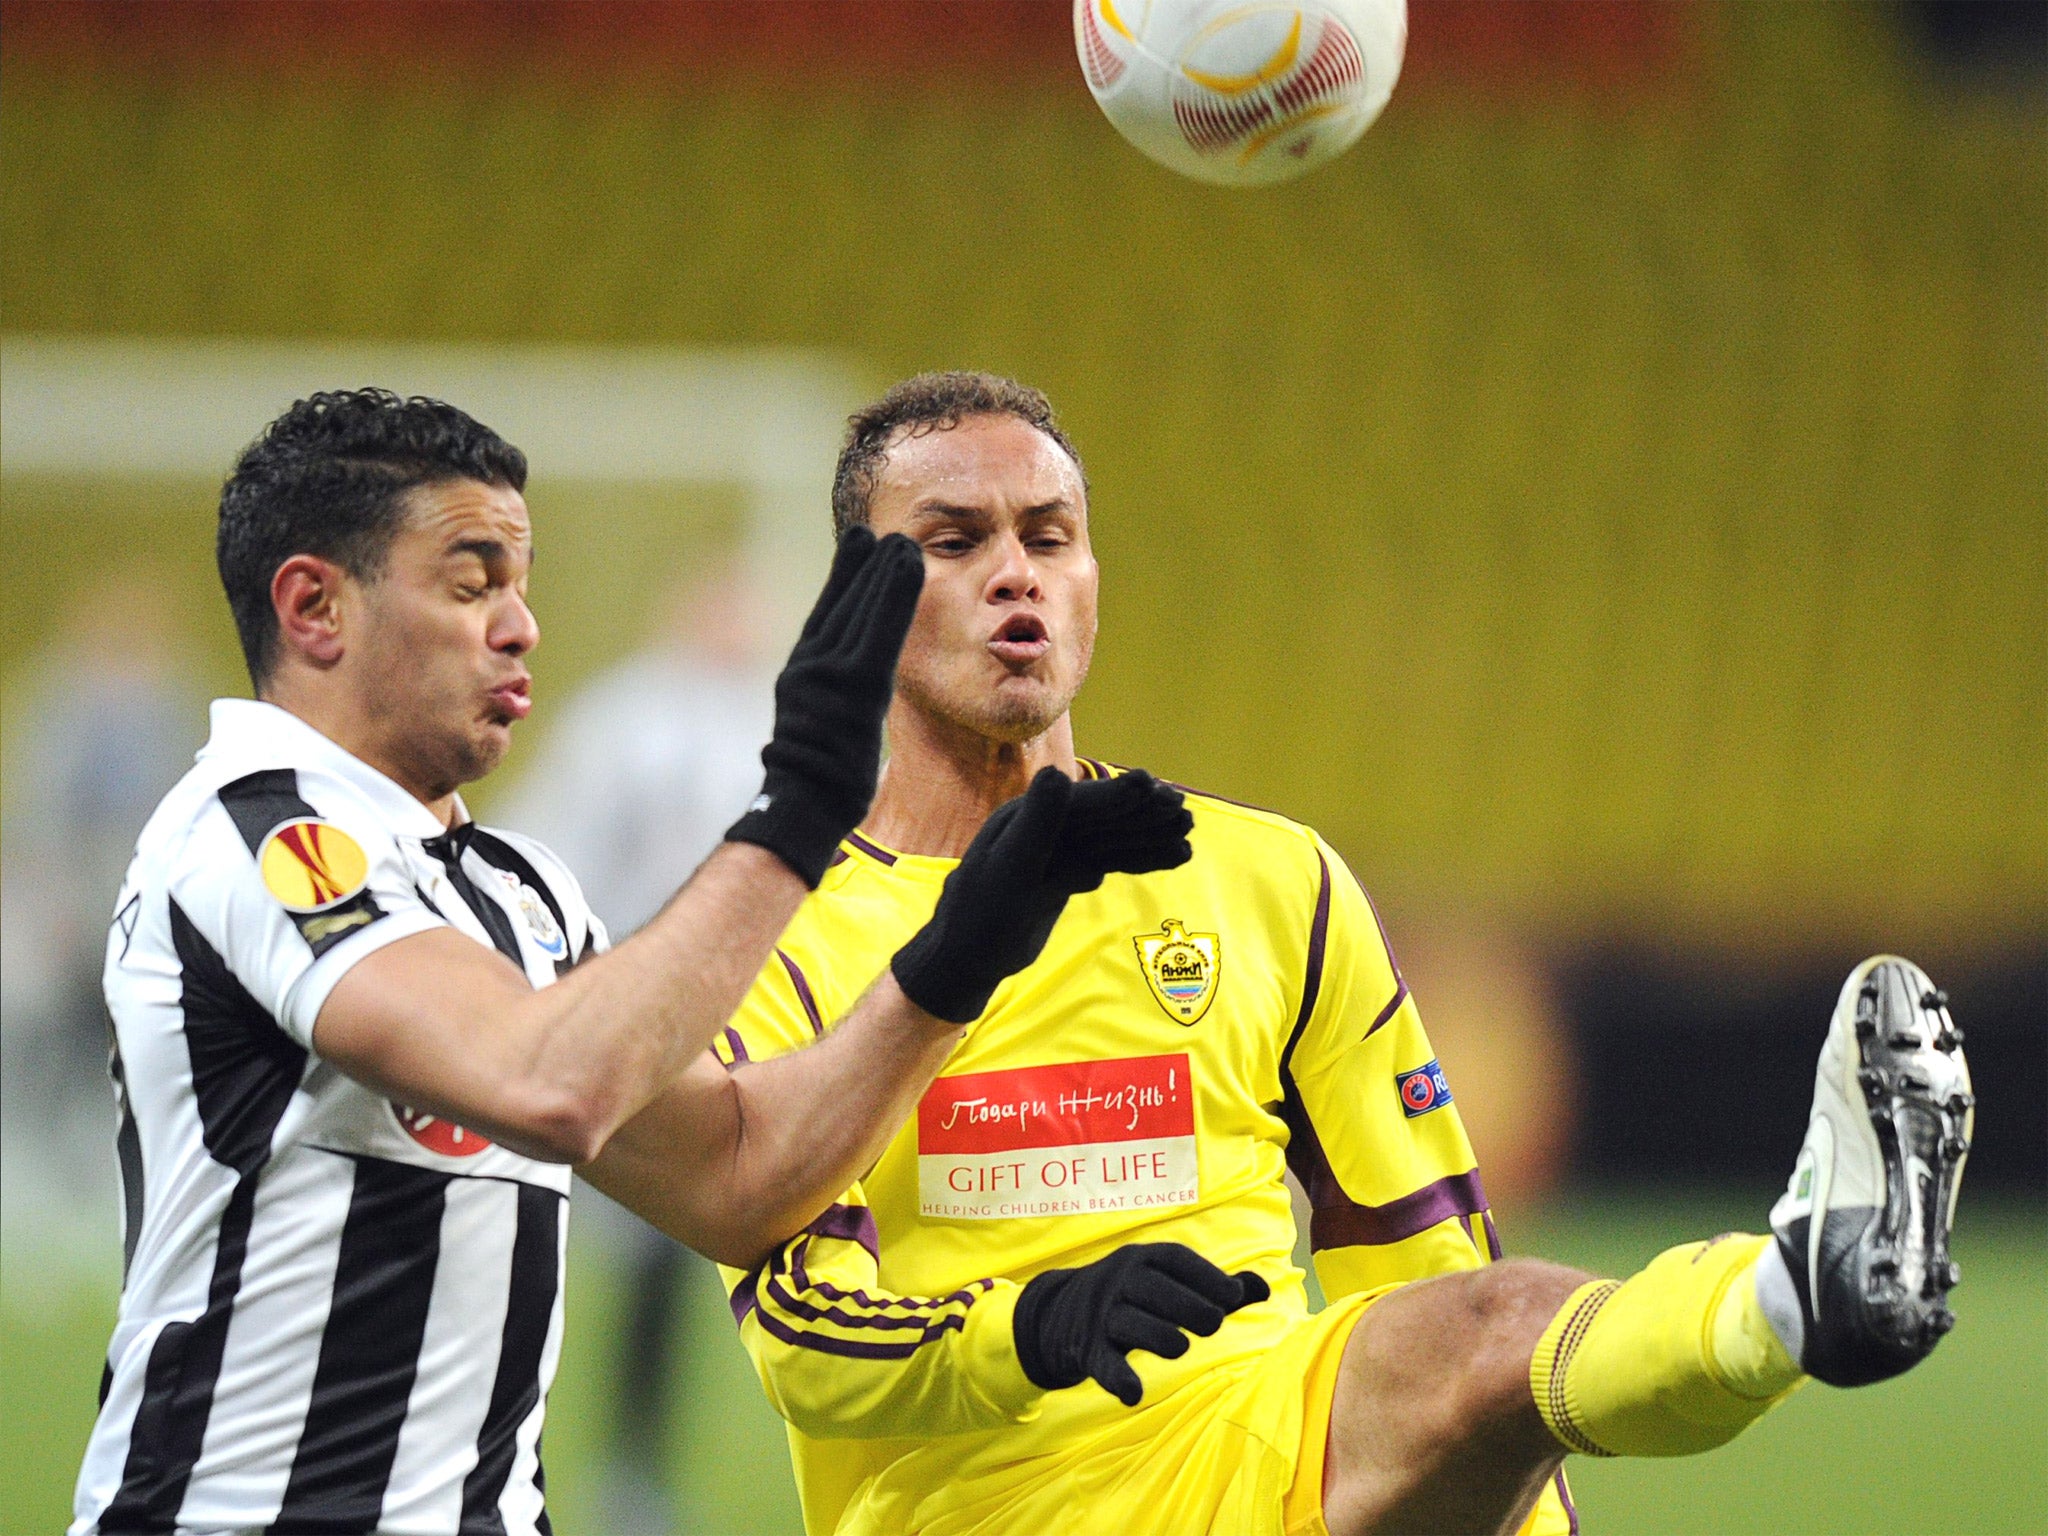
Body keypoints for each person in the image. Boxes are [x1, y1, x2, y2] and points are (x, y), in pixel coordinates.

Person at [708, 371, 1977, 1536]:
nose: (1015, 572)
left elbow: (1432, 1277)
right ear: (857, 603)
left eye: (1049, 537)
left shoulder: (1268, 877)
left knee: (1496, 1322)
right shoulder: (777, 938)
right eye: (954, 541)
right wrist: (1030, 1329)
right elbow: (800, 1341)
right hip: (986, 1504)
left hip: (1266, 1458)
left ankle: (1798, 1293)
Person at [74, 388, 1243, 1536]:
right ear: (316, 609)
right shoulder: (257, 835)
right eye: (473, 582)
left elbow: (736, 1180)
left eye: (522, 585)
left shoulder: (514, 892)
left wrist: (963, 948)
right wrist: (799, 810)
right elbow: (551, 1087)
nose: (521, 624)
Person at [496, 556, 779, 1533]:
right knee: (515, 1238)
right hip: (602, 1014)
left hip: (712, 1031)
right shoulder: (625, 723)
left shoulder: (766, 724)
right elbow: (545, 847)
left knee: (666, 1259)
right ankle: (505, 1456)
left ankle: (630, 1468)